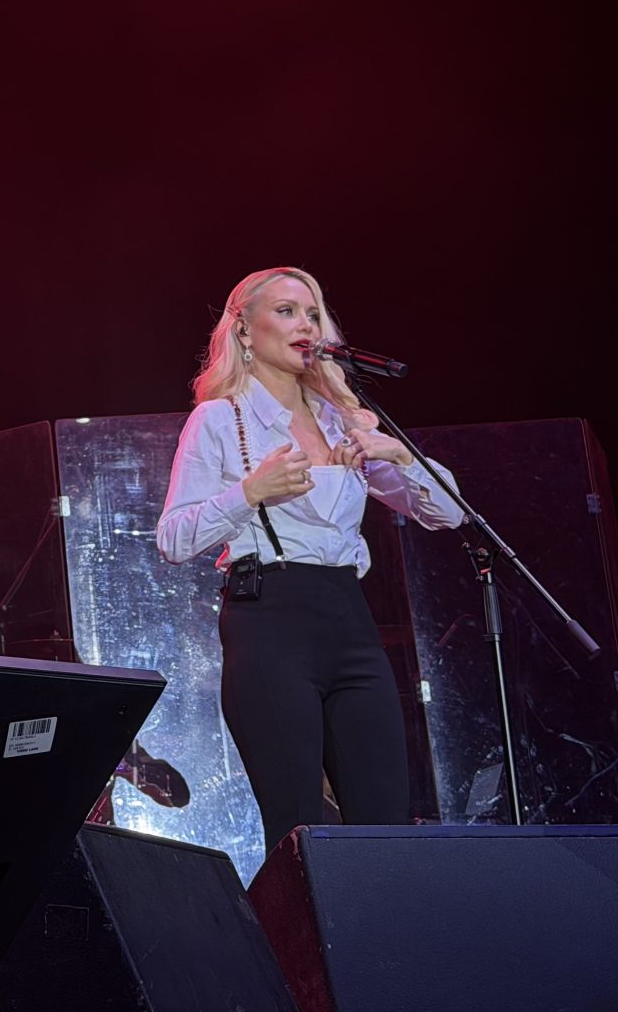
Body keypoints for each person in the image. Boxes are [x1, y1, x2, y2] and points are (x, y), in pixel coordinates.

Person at [156, 266, 461, 859]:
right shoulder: (220, 419)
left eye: (314, 313)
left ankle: (382, 923)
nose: (306, 325)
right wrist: (249, 492)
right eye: (287, 311)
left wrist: (398, 453)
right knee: (299, 824)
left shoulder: (340, 420)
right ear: (245, 330)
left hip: (349, 618)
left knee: (384, 825)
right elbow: (173, 538)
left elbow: (448, 514)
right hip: (270, 619)